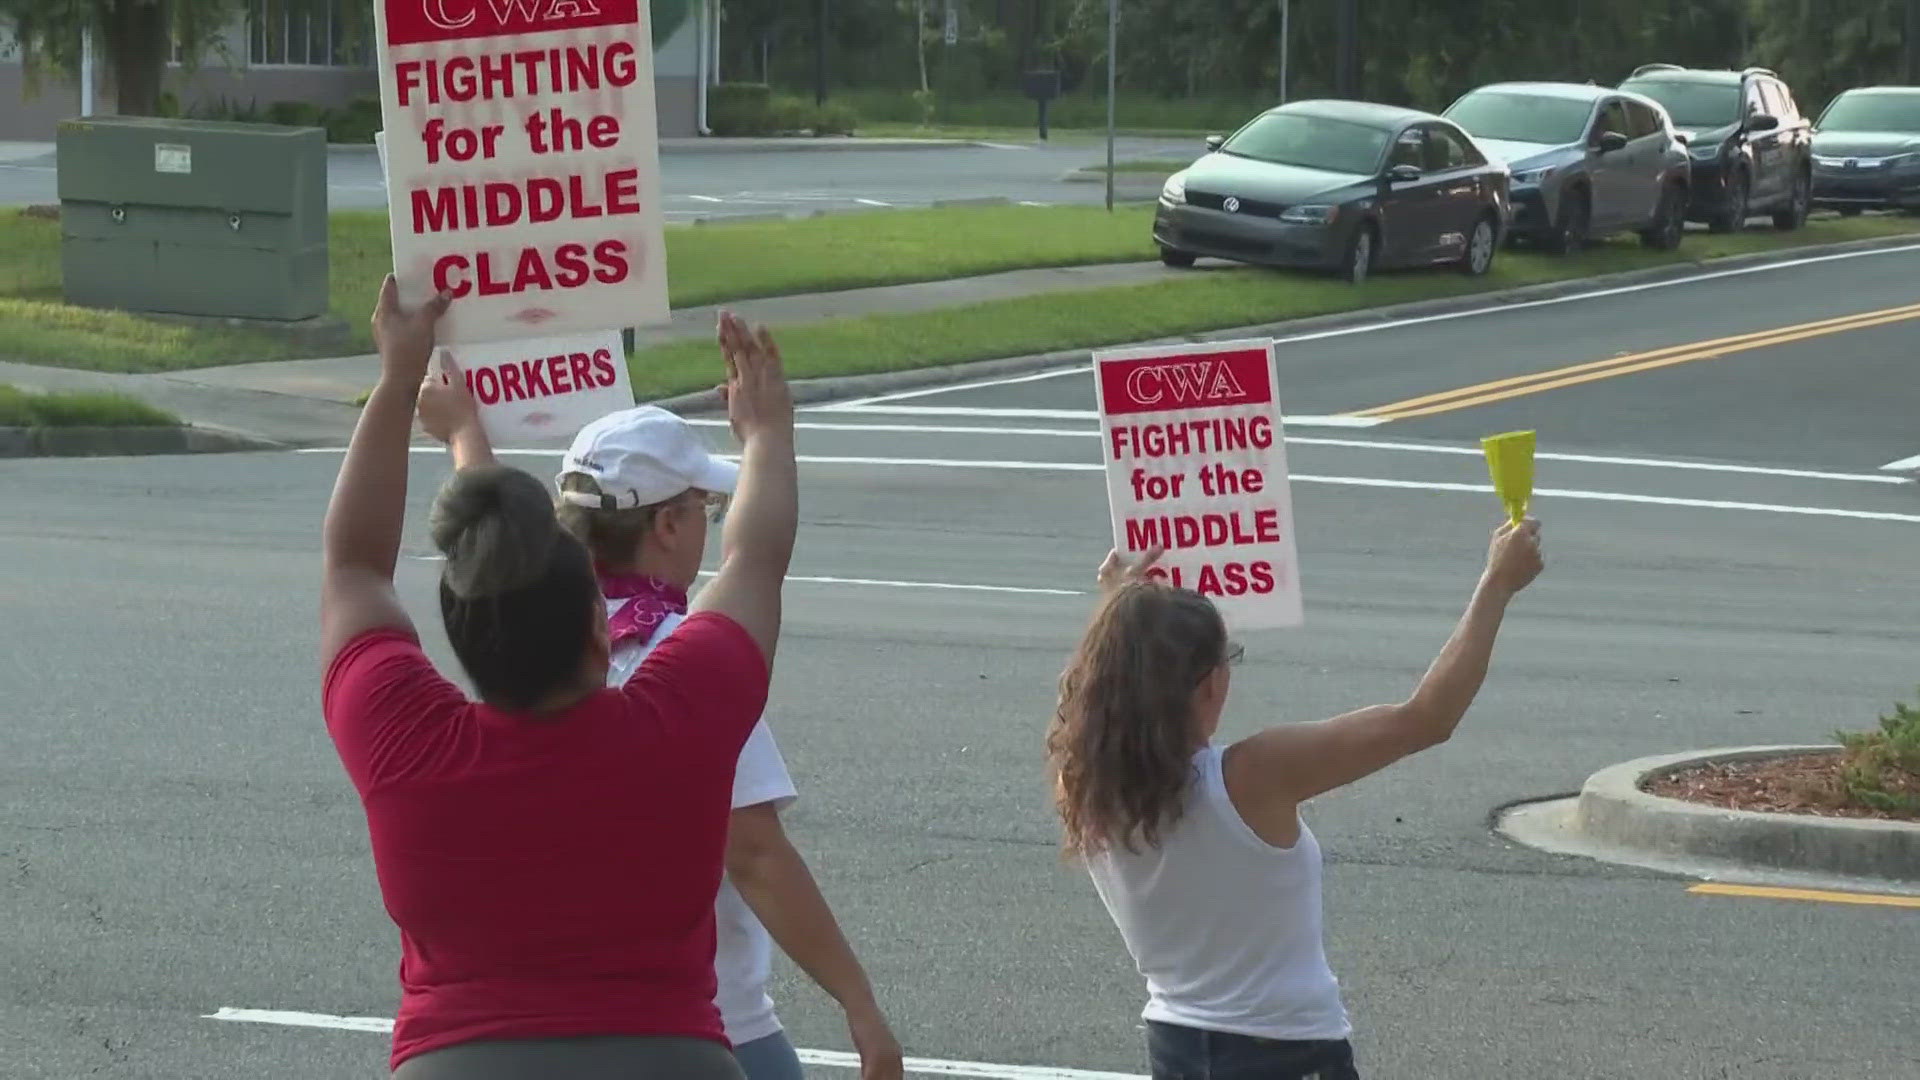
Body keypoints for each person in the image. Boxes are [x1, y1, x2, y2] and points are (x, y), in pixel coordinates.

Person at [319, 278, 798, 1078]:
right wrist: (767, 433)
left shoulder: (404, 743)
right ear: (595, 631)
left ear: (464, 636)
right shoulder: (678, 723)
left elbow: (353, 566)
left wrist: (401, 377)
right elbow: (755, 560)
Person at [415, 356, 905, 1080]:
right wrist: (859, 1004)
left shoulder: (525, 628)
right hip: (704, 1026)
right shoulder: (676, 663)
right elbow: (754, 853)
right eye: (704, 511)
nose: (711, 527)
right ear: (669, 525)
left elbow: (488, 546)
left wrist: (464, 434)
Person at [1048, 523, 1544, 1080]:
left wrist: (1119, 609)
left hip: (1178, 1048)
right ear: (1210, 683)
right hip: (1283, 1053)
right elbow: (1426, 718)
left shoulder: (1088, 785)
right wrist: (1496, 584)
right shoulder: (1250, 777)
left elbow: (1104, 688)